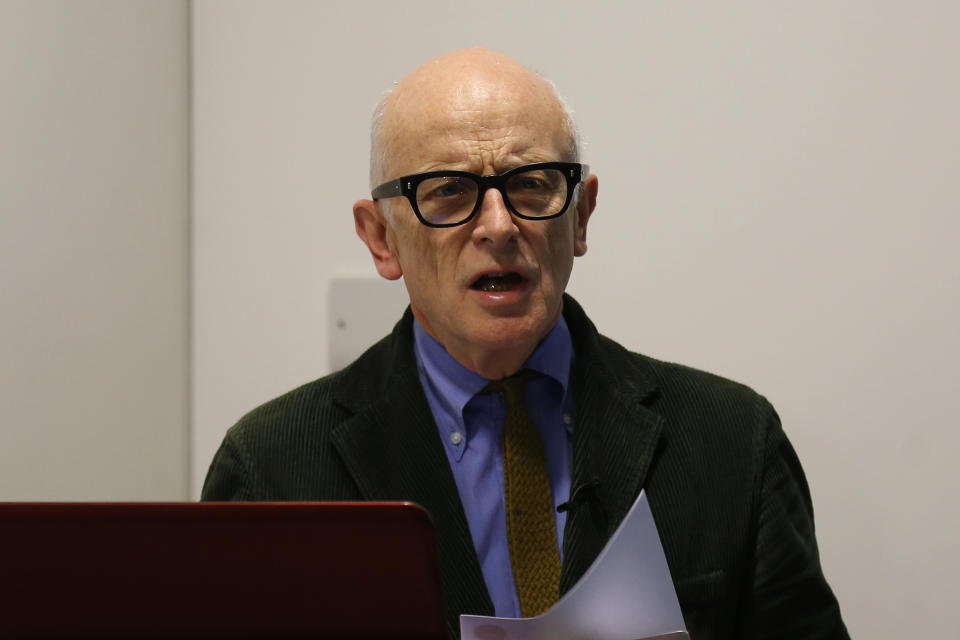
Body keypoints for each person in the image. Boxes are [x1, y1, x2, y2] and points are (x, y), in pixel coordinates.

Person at [202, 47, 848, 639]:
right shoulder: (273, 472)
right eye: (449, 191)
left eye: (532, 183)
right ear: (381, 238)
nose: (499, 225)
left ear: (581, 214)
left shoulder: (732, 442)